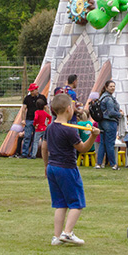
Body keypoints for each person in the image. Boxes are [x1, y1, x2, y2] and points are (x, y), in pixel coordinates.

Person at [41, 93, 99, 246]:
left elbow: (44, 147)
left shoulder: (50, 127)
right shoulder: (69, 129)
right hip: (66, 168)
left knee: (60, 204)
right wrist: (93, 136)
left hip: (53, 167)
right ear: (68, 109)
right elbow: (83, 148)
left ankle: (56, 236)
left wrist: (46, 165)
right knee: (77, 202)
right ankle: (67, 233)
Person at [96, 80, 122, 170]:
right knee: (110, 143)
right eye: (111, 86)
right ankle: (113, 164)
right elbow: (111, 112)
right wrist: (120, 114)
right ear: (106, 87)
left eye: (114, 86)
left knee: (102, 143)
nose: (113, 88)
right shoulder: (109, 98)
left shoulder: (102, 97)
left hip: (101, 122)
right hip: (110, 122)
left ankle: (98, 163)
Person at [19, 83, 44, 159]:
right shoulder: (27, 98)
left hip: (39, 121)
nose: (31, 92)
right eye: (31, 91)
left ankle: (33, 154)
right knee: (27, 136)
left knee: (36, 138)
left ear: (36, 90)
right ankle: (24, 153)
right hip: (29, 119)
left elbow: (46, 108)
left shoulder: (42, 98)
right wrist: (23, 119)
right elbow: (23, 109)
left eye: (33, 91)